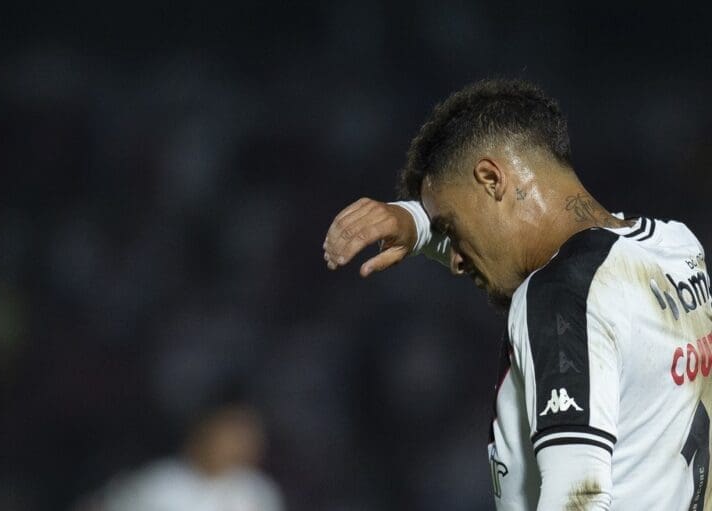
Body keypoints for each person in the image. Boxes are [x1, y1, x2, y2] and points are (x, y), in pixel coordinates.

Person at [322, 79, 712, 510]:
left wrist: (424, 220)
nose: (455, 260)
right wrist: (418, 223)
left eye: (450, 228)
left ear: (492, 179)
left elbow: (578, 498)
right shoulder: (677, 248)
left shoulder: (561, 293)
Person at [77, 402, 284, 511]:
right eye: (232, 435)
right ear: (204, 432)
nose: (240, 446)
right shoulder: (160, 484)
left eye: (247, 437)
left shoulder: (257, 491)